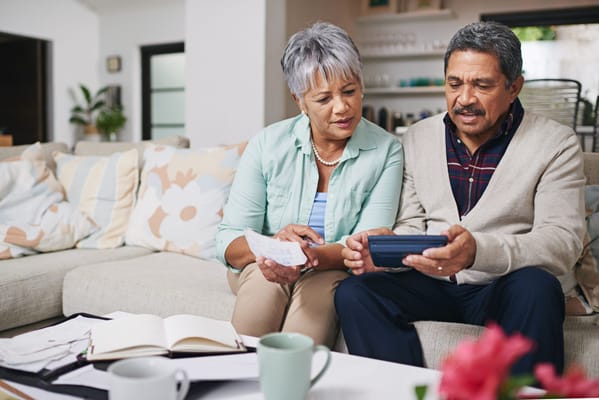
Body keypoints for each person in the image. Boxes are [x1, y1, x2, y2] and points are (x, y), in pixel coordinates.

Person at [335, 21, 585, 375]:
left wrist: (477, 251)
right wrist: (387, 253)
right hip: (431, 285)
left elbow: (562, 242)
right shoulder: (417, 137)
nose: (464, 99)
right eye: (454, 84)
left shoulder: (555, 143)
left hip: (502, 286)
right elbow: (411, 224)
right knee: (355, 292)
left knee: (537, 288)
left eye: (482, 85)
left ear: (514, 87)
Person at [215, 21, 403, 348]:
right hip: (265, 263)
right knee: (261, 292)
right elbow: (229, 238)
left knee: (305, 331)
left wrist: (308, 257)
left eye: (349, 91)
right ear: (299, 100)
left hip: (332, 267)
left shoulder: (387, 150)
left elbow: (366, 243)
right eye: (323, 98)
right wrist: (274, 247)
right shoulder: (267, 144)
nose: (342, 107)